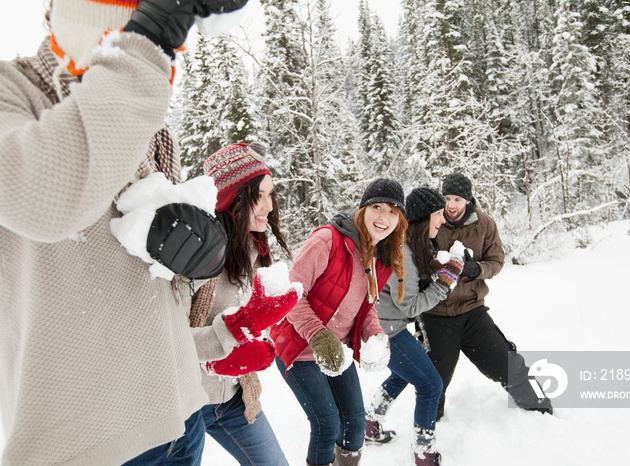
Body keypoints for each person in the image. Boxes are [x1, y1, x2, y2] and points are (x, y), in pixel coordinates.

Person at [0, 1, 249, 464]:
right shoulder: (12, 90)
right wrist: (147, 45)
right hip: (91, 442)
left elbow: (151, 277)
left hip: (179, 411)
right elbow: (42, 196)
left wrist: (203, 257)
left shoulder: (143, 120)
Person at [270, 179, 408, 466]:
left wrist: (376, 335)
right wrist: (319, 336)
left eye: (393, 212)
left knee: (356, 425)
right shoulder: (327, 241)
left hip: (338, 353)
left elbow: (364, 306)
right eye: (377, 207)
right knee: (327, 425)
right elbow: (289, 295)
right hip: (298, 347)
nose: (384, 218)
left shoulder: (379, 257)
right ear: (363, 209)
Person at [177, 142, 298, 465]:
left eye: (272, 194)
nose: (270, 206)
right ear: (233, 197)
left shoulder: (252, 249)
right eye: (261, 195)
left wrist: (262, 343)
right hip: (185, 404)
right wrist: (218, 353)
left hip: (234, 398)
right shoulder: (193, 255)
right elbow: (166, 339)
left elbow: (249, 319)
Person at [421, 173, 553, 420]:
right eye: (447, 198)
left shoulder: (484, 224)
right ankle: (428, 427)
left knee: (507, 362)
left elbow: (497, 261)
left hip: (472, 312)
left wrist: (477, 269)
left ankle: (542, 412)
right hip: (435, 314)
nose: (451, 205)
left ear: (468, 200)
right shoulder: (431, 221)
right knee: (433, 381)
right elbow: (411, 254)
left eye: (457, 199)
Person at [365, 187, 464, 466]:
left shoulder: (410, 245)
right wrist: (444, 283)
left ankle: (369, 424)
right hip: (386, 330)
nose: (443, 220)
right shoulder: (403, 253)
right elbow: (408, 306)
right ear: (423, 219)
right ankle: (423, 451)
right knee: (431, 384)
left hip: (388, 325)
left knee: (403, 374)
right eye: (438, 215)